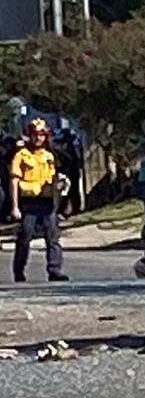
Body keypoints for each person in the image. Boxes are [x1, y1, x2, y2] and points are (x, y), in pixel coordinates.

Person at [9, 117, 66, 283]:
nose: (38, 138)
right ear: (30, 135)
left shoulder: (49, 156)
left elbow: (56, 178)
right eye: (35, 134)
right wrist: (15, 207)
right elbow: (14, 181)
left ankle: (55, 270)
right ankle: (19, 271)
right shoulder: (21, 155)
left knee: (52, 237)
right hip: (29, 202)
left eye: (42, 134)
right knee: (25, 237)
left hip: (48, 202)